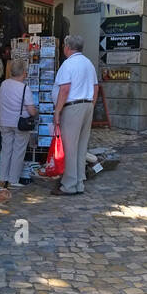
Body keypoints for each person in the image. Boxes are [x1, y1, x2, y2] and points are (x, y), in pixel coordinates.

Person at [50, 34, 99, 197]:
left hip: (73, 107)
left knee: (70, 146)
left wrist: (57, 110)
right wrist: (91, 105)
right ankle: (79, 182)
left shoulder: (68, 64)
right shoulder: (88, 63)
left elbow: (64, 89)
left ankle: (69, 184)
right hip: (87, 105)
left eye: (64, 46)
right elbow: (96, 87)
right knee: (81, 146)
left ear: (68, 47)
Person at [0, 58, 38, 189]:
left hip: (4, 121)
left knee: (6, 150)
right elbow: (31, 111)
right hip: (19, 123)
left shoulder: (4, 84)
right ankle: (13, 180)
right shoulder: (24, 88)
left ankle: (2, 179)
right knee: (18, 151)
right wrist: (36, 111)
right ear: (24, 73)